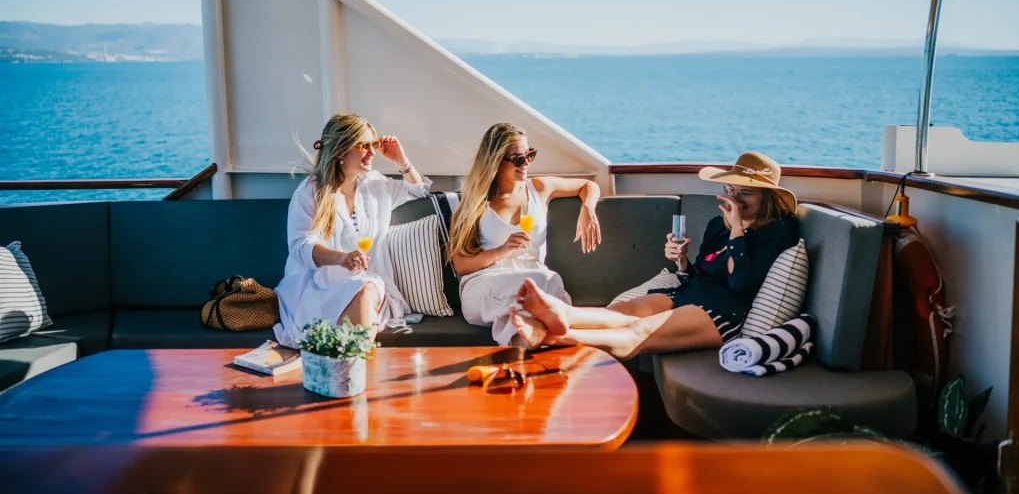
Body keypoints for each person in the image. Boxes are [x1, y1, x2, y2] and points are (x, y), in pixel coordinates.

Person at [510, 151, 799, 359]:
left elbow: (740, 284)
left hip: (724, 311)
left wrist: (737, 227)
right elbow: (701, 274)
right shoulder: (716, 226)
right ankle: (559, 314)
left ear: (767, 197)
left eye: (745, 193)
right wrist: (682, 261)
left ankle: (553, 336)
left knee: (638, 332)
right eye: (731, 189)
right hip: (692, 293)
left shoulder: (778, 232)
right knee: (619, 313)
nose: (735, 198)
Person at [274, 113, 429, 346]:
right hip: (319, 285)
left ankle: (350, 364)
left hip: (366, 282)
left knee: (368, 287)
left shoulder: (375, 184)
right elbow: (300, 246)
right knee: (366, 289)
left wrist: (400, 161)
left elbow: (418, 192)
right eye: (363, 145)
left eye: (373, 145)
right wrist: (342, 258)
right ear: (340, 151)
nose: (372, 152)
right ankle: (353, 367)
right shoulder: (311, 191)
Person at [449, 123, 602, 346]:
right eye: (518, 159)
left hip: (533, 281)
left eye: (530, 155)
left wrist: (587, 208)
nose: (526, 163)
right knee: (544, 282)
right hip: (485, 284)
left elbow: (588, 185)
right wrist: (502, 251)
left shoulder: (539, 188)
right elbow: (461, 265)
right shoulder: (476, 201)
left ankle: (520, 357)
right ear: (496, 161)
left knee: (538, 290)